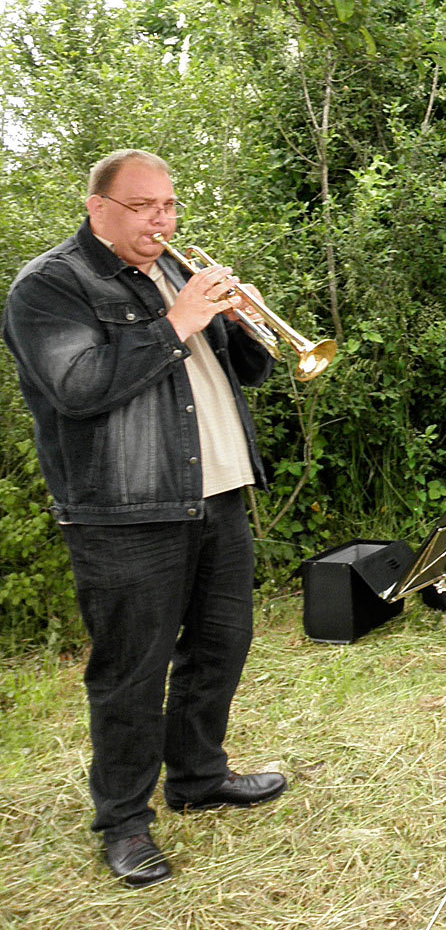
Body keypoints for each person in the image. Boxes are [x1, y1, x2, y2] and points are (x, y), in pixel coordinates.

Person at [2, 150, 288, 888]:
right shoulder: (52, 284)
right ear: (97, 207)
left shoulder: (173, 272)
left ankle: (198, 776)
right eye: (142, 206)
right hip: (125, 511)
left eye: (168, 205)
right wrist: (176, 320)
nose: (161, 219)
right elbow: (77, 385)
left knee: (221, 646)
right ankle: (124, 821)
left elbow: (250, 373)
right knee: (132, 671)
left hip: (218, 493)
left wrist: (241, 323)